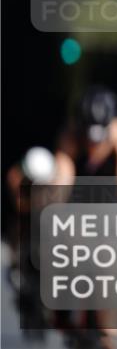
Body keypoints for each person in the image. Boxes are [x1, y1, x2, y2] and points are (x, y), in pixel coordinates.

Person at [53, 85, 117, 349]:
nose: (93, 144)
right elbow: (61, 184)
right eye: (88, 136)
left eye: (99, 137)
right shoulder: (69, 136)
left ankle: (108, 336)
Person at [6, 147, 57, 344]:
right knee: (19, 227)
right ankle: (15, 266)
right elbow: (19, 206)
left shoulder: (54, 178)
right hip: (24, 219)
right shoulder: (15, 176)